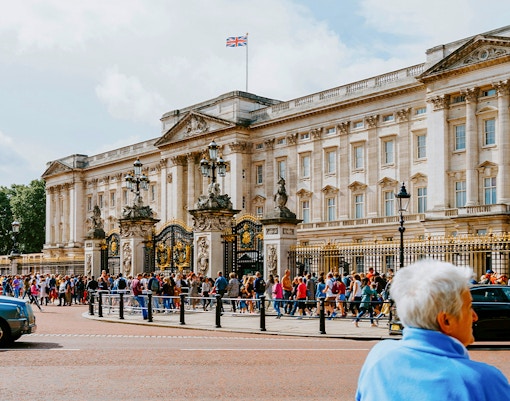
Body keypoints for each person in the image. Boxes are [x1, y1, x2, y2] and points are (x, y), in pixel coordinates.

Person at [356, 260, 510, 401]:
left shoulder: (378, 355)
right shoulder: (482, 380)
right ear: (446, 321)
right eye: (469, 307)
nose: (475, 316)